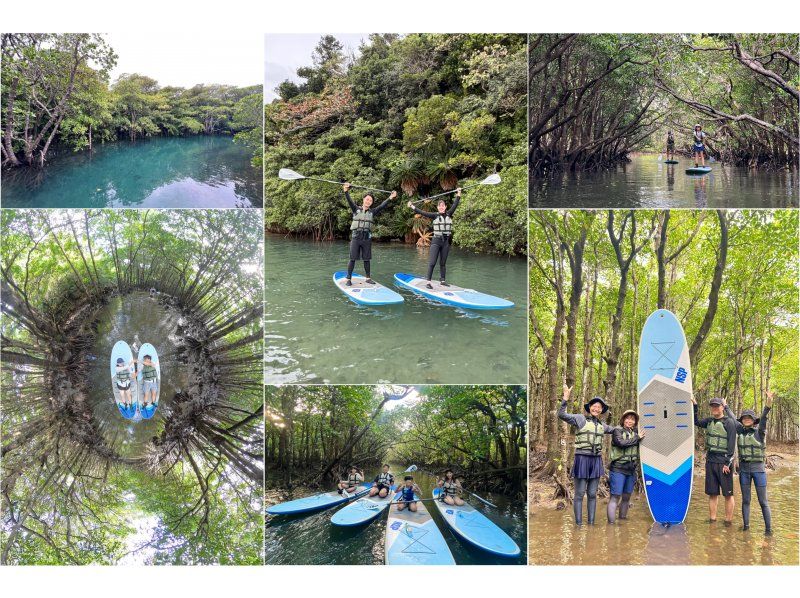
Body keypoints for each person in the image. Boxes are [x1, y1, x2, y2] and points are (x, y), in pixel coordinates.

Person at [558, 384, 614, 525]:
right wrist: (565, 398)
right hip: (582, 459)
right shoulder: (580, 419)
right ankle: (578, 525)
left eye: (599, 407)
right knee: (579, 494)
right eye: (594, 406)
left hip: (596, 461)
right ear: (589, 408)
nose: (596, 408)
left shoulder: (602, 426)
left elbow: (615, 430)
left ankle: (591, 524)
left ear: (601, 411)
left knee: (592, 494)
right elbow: (562, 415)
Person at [726, 391, 774, 534]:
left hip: (759, 470)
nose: (746, 419)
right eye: (744, 418)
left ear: (753, 420)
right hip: (744, 471)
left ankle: (768, 531)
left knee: (763, 501)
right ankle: (746, 527)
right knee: (746, 500)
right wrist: (726, 406)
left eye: (749, 418)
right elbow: (733, 418)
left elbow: (764, 417)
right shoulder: (740, 430)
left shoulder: (760, 432)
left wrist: (768, 403)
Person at [343, 182, 397, 286]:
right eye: (367, 199)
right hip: (356, 237)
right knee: (352, 258)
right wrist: (346, 190)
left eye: (370, 200)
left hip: (366, 238)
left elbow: (382, 206)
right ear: (363, 200)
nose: (368, 201)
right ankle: (348, 278)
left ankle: (368, 278)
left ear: (371, 203)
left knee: (367, 259)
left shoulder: (373, 212)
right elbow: (349, 201)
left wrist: (391, 197)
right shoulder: (356, 209)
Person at [692, 396, 736, 525]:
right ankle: (712, 520)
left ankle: (728, 521)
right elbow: (696, 422)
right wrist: (695, 406)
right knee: (712, 493)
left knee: (728, 494)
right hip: (711, 461)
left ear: (722, 407)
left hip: (724, 463)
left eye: (717, 406)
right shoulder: (709, 421)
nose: (715, 408)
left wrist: (728, 463)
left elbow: (731, 443)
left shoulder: (729, 422)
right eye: (713, 406)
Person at [407, 189, 461, 289]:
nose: (441, 207)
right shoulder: (434, 215)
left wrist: (458, 193)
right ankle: (428, 282)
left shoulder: (449, 214)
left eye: (443, 206)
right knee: (432, 262)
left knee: (443, 263)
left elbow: (455, 204)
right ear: (438, 207)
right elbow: (422, 212)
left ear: (445, 207)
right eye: (439, 206)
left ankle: (443, 280)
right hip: (436, 241)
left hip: (445, 242)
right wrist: (412, 206)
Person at [607, 409, 644, 524]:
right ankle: (611, 526)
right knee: (615, 497)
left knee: (627, 497)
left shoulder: (635, 432)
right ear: (623, 419)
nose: (630, 421)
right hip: (618, 469)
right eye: (628, 418)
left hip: (631, 470)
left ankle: (622, 521)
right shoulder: (617, 431)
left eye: (632, 419)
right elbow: (621, 443)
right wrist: (637, 438)